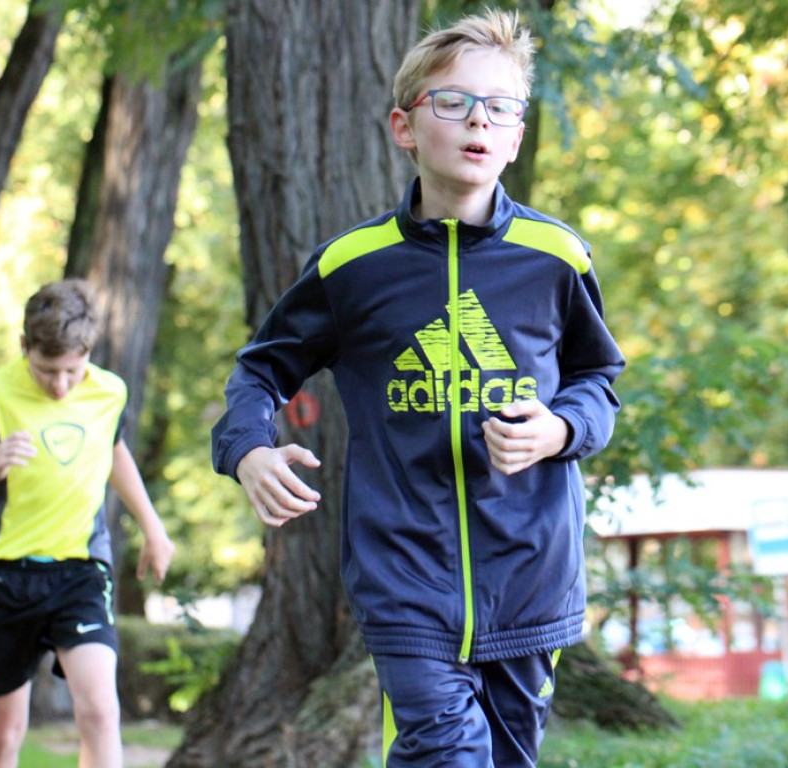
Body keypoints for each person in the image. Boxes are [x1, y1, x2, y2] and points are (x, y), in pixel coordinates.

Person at [212, 9, 625, 765]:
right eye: (453, 101)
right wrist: (249, 452)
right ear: (405, 127)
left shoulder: (555, 257)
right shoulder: (352, 266)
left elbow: (599, 380)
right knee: (444, 755)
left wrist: (558, 430)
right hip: (404, 576)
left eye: (499, 106)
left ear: (516, 137)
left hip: (532, 574)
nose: (478, 119)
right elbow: (259, 370)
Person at [0, 278, 175, 768]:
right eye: (46, 371)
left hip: (80, 572)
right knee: (1, 735)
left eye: (72, 370)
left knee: (101, 713)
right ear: (24, 348)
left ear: (89, 351)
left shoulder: (109, 393)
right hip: (6, 578)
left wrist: (153, 527)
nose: (60, 385)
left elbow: (114, 450)